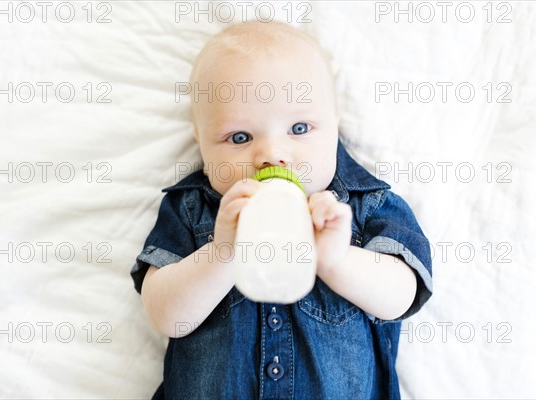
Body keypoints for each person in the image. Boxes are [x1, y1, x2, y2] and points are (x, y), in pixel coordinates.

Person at [131, 19, 432, 399]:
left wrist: (337, 261)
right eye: (239, 137)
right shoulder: (194, 211)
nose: (272, 154)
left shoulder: (364, 207)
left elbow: (401, 297)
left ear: (335, 127)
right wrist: (222, 253)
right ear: (203, 143)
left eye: (300, 128)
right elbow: (165, 316)